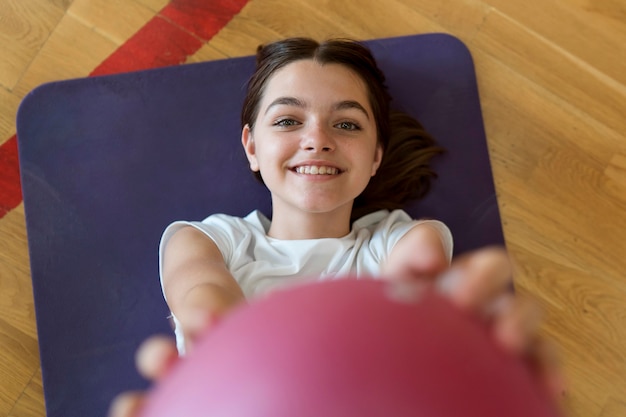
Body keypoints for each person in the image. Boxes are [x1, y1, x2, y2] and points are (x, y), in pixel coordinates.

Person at [109, 38, 565, 417]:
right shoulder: (210, 240)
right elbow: (204, 301)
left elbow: (412, 289)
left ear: (375, 157)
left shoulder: (399, 240)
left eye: (346, 124)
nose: (317, 140)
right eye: (288, 120)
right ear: (252, 147)